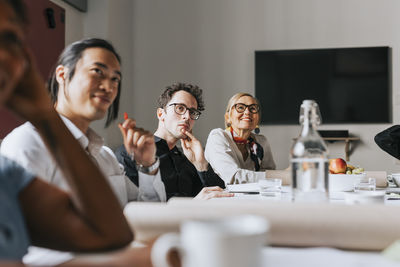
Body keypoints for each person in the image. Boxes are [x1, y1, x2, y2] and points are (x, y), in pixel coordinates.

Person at [0, 0, 153, 265]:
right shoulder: (25, 144)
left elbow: (120, 227)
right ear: (62, 74)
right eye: (97, 72)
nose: (108, 86)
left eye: (10, 39)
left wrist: (148, 167)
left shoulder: (103, 154)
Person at [116, 83, 231, 200]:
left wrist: (201, 163)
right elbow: (134, 207)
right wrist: (193, 204)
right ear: (161, 114)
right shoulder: (131, 153)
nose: (187, 116)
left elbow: (220, 196)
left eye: (192, 112)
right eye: (180, 108)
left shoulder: (189, 159)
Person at [205, 93, 276, 184]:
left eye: (253, 108)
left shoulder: (261, 142)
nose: (247, 112)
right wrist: (282, 176)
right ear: (228, 117)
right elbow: (234, 177)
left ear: (257, 119)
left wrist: (287, 174)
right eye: (240, 108)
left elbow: (270, 178)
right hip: (222, 197)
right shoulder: (217, 137)